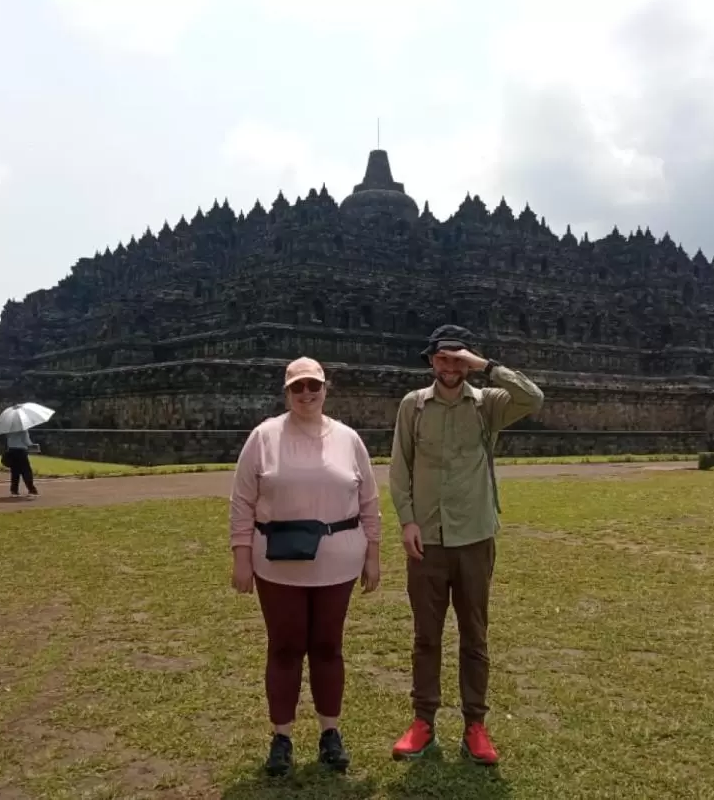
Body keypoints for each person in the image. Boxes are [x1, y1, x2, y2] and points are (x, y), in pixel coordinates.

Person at [388, 324, 545, 765]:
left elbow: (533, 398)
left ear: (468, 362)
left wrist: (488, 367)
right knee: (426, 636)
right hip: (429, 540)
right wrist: (407, 522)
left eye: (458, 359)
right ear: (431, 361)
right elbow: (400, 468)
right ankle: (423, 723)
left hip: (475, 536)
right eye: (443, 358)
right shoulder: (413, 407)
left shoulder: (488, 404)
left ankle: (475, 725)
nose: (450, 366)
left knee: (475, 635)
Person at [229, 356, 382, 777]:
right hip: (278, 561)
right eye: (298, 387)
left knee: (328, 647)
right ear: (287, 392)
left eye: (313, 386)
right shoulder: (263, 437)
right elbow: (242, 501)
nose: (306, 394)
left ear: (325, 389)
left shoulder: (348, 439)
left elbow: (369, 501)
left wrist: (373, 553)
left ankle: (330, 732)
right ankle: (282, 736)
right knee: (284, 647)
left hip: (339, 559)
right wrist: (241, 555)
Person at [2, 428, 39, 497]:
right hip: (21, 451)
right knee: (26, 471)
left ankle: (14, 491)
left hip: (12, 451)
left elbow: (8, 440)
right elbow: (26, 441)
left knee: (15, 472)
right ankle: (31, 490)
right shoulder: (23, 429)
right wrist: (32, 445)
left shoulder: (9, 429)